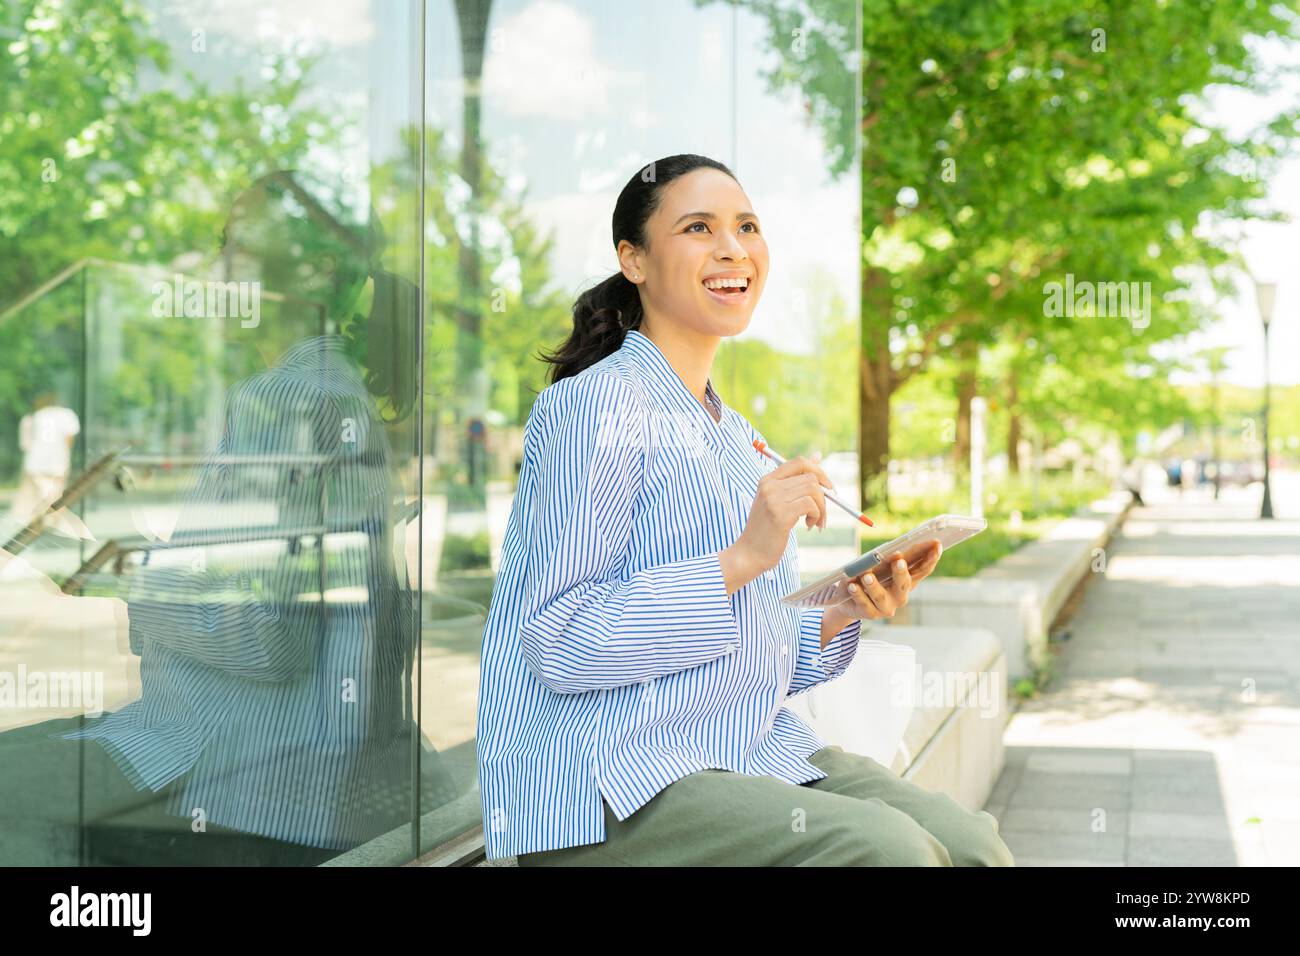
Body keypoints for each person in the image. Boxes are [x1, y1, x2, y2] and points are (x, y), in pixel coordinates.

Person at [475, 154, 1014, 866]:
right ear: (633, 259)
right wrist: (742, 559)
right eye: (699, 227)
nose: (733, 248)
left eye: (747, 226)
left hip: (741, 747)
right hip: (608, 782)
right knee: (890, 854)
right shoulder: (592, 407)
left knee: (974, 846)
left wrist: (845, 607)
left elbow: (749, 653)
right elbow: (559, 640)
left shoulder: (737, 436)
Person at [0, 171, 456, 865]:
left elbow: (271, 635)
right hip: (280, 764)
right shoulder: (329, 397)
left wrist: (118, 577)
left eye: (235, 246)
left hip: (230, 772)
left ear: (314, 270)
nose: (216, 270)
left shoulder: (285, 400)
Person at [6, 392, 80, 531]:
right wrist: (64, 453)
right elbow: (69, 437)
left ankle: (39, 519)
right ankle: (53, 518)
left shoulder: (36, 416)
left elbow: (26, 443)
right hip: (57, 458)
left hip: (35, 459)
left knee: (38, 490)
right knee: (54, 490)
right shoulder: (67, 414)